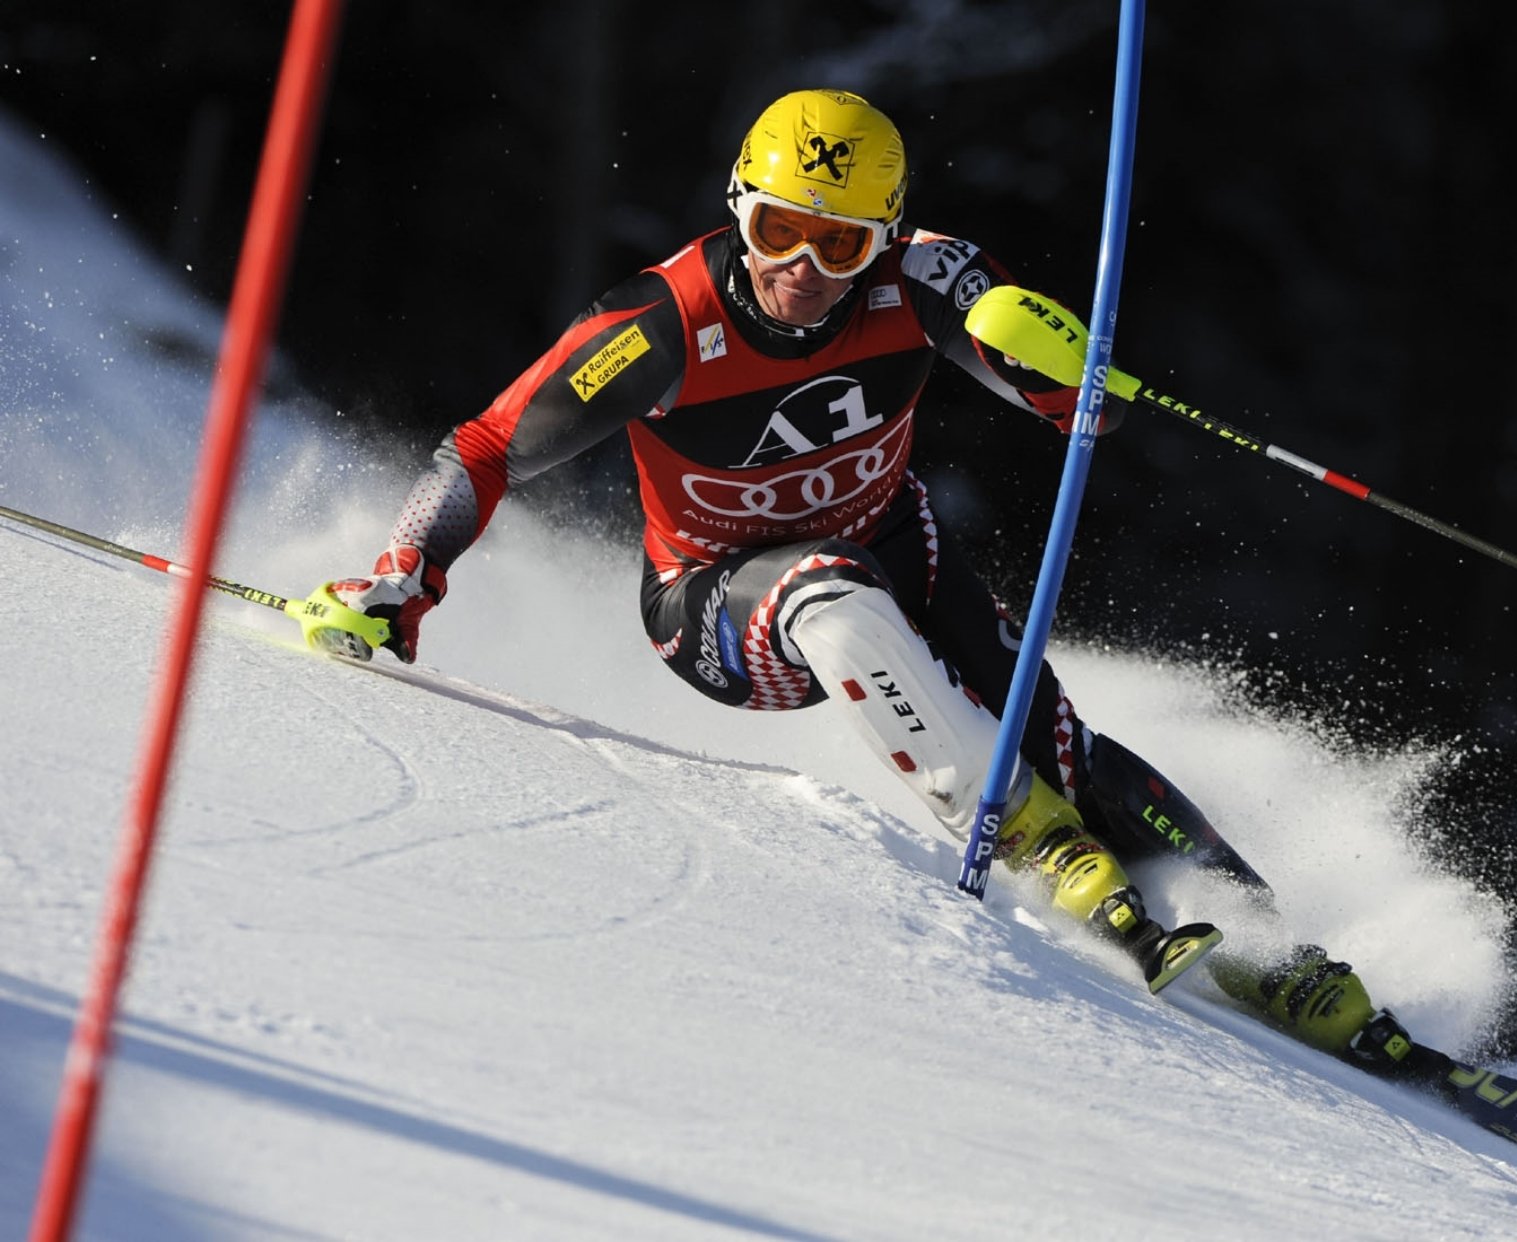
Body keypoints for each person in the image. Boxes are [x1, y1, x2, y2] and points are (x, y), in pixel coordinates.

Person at [317, 88, 1432, 1080]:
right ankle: (1038, 842)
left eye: (840, 245)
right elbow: (486, 447)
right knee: (827, 588)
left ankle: (1271, 944)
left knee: (1056, 737)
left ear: (884, 239)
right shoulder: (659, 327)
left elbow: (1070, 402)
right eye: (778, 230)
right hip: (719, 605)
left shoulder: (931, 278)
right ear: (739, 208)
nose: (803, 267)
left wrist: (1064, 377)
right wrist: (401, 580)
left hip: (906, 554)